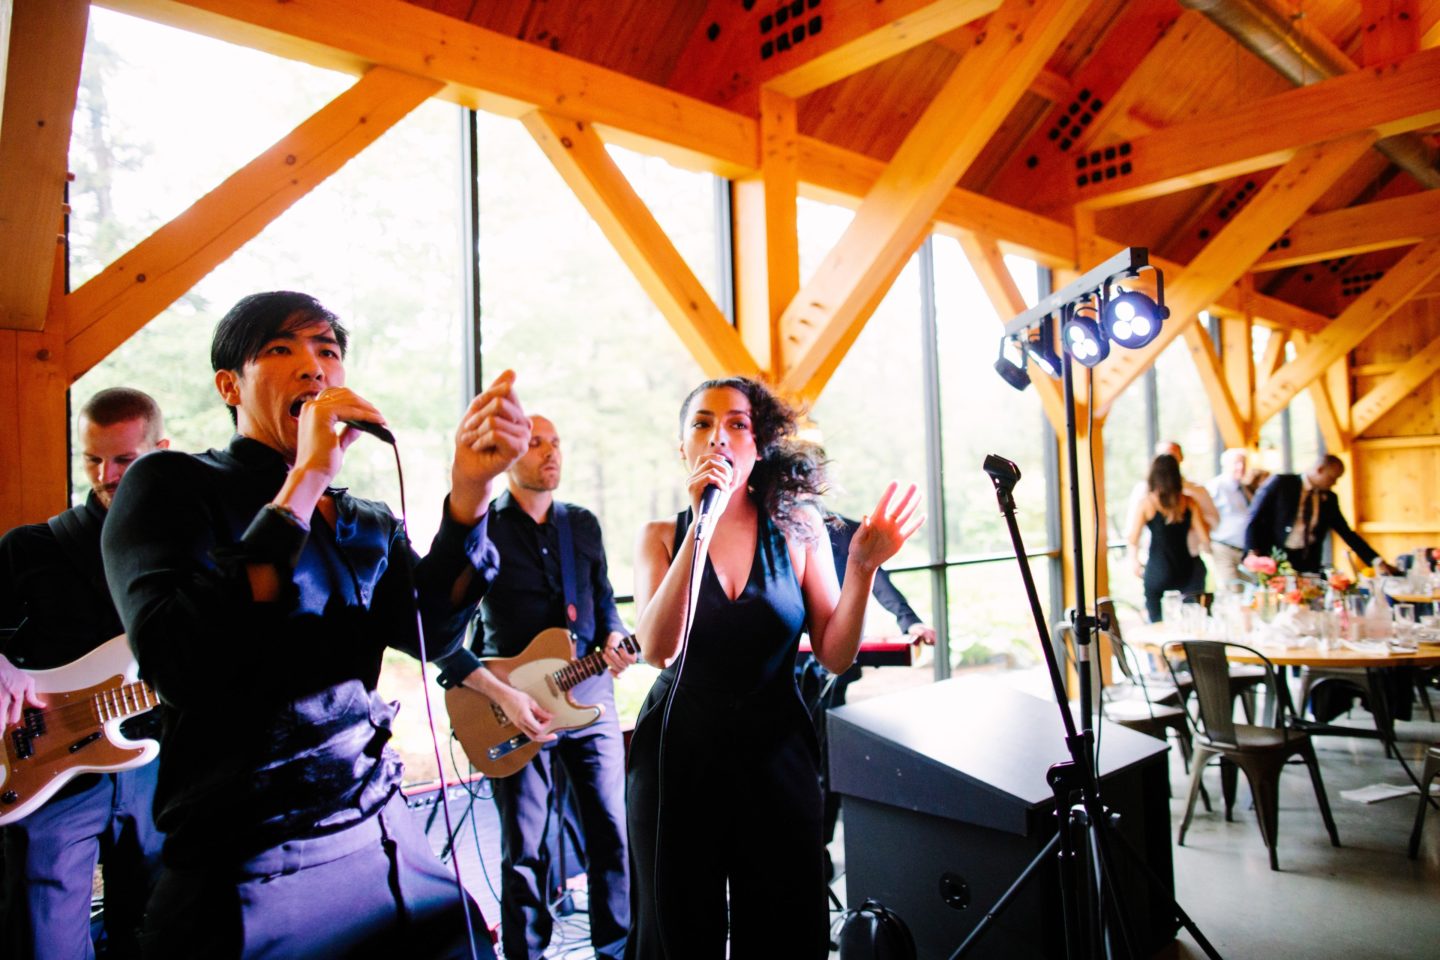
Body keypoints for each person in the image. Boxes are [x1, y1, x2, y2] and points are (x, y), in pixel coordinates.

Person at [101, 291, 528, 959]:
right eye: (281, 349)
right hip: (251, 856)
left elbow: (433, 635)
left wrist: (469, 494)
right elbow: (179, 662)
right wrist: (304, 478)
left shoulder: (367, 522)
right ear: (229, 386)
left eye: (328, 350)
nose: (313, 366)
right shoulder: (171, 485)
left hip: (380, 823)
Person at [626, 376, 920, 959]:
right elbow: (659, 647)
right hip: (677, 754)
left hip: (776, 751)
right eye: (703, 424)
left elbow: (835, 654)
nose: (720, 437)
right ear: (682, 447)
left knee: (784, 924)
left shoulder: (798, 527)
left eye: (738, 424)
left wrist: (860, 568)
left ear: (758, 446)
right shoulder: (660, 536)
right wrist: (700, 528)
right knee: (678, 929)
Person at [435, 414, 633, 960]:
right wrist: (505, 697)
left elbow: (605, 599)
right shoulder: (482, 527)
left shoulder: (582, 525)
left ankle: (616, 947)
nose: (551, 453)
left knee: (612, 831)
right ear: (509, 453)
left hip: (589, 697)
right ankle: (527, 953)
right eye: (536, 443)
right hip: (512, 707)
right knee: (525, 846)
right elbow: (443, 635)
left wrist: (615, 636)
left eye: (556, 442)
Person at [0, 388, 169, 960]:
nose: (105, 474)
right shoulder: (28, 549)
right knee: (42, 940)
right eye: (92, 459)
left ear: (160, 450)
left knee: (155, 931)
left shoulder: (186, 549)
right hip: (47, 769)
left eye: (123, 459)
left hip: (155, 763)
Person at [1244, 454, 1396, 576]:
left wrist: (1376, 561)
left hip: (1308, 562)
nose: (1334, 483)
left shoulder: (1329, 499)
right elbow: (1254, 518)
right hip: (1276, 557)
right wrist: (1253, 552)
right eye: (1332, 478)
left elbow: (1347, 533)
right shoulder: (1281, 484)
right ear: (1320, 469)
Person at [1127, 454, 1210, 622]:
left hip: (1158, 568)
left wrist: (1134, 561)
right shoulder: (1188, 502)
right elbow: (1205, 538)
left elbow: (1133, 538)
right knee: (1192, 620)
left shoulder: (1147, 503)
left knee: (1156, 622)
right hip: (1187, 568)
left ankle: (1158, 648)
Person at [1123, 441, 1218, 574]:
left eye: (1173, 454)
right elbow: (1132, 533)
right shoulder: (1144, 493)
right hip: (1158, 562)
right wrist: (1134, 560)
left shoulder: (1196, 492)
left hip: (1190, 558)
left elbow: (1211, 524)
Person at [1205, 448, 1252, 593]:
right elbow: (1204, 513)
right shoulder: (1216, 486)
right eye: (1236, 463)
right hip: (1224, 548)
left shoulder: (1244, 489)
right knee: (1232, 592)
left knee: (1248, 593)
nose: (1241, 467)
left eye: (1243, 463)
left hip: (1244, 551)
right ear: (1225, 465)